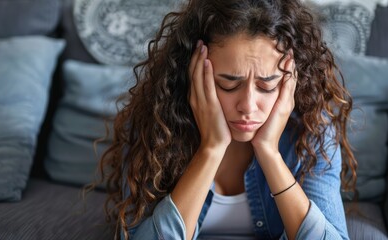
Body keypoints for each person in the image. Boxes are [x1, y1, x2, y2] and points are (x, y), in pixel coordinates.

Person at [96, 0, 357, 239]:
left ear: (290, 81)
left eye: (267, 86)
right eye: (228, 84)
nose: (247, 106)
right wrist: (211, 149)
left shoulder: (314, 130)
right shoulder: (156, 123)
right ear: (193, 74)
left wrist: (269, 154)